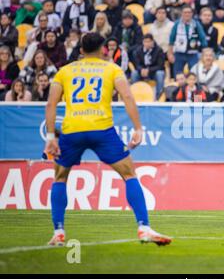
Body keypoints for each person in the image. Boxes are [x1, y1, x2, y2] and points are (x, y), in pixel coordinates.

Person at [44, 32, 172, 246]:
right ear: (103, 49)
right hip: (102, 129)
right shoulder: (111, 69)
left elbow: (51, 104)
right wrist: (138, 128)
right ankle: (144, 227)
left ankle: (58, 232)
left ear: (81, 50)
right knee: (129, 174)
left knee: (60, 178)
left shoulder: (64, 72)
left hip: (72, 129)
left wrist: (50, 136)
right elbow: (128, 96)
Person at [168, 5, 207, 75]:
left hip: (192, 53)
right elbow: (171, 39)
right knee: (178, 74)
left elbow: (203, 38)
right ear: (182, 13)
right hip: (179, 53)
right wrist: (170, 53)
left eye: (189, 12)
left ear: (192, 14)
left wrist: (204, 53)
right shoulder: (177, 24)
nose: (187, 14)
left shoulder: (196, 24)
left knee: (194, 73)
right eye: (185, 12)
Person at [131, 33, 166, 99]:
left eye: (149, 41)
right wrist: (141, 69)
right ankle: (134, 96)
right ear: (143, 42)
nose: (147, 43)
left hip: (154, 72)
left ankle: (159, 97)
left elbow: (160, 66)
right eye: (145, 42)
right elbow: (137, 64)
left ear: (152, 41)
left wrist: (149, 70)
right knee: (134, 73)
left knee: (160, 74)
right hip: (142, 72)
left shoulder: (159, 50)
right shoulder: (138, 50)